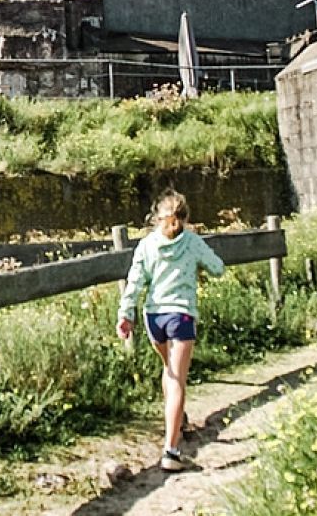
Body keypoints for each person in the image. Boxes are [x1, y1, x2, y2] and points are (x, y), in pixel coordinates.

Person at [116, 190, 225, 472]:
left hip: (154, 317)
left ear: (157, 217)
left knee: (169, 370)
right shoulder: (191, 241)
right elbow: (218, 268)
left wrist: (125, 314)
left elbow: (135, 281)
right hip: (181, 315)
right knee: (178, 380)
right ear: (185, 218)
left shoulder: (147, 245)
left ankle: (179, 421)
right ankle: (171, 451)